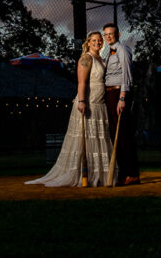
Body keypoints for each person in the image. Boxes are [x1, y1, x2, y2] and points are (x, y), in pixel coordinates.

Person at [27, 32, 116, 187]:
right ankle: (82, 174)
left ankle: (98, 174)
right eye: (94, 40)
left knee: (97, 138)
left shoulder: (101, 59)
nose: (97, 43)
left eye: (100, 41)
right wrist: (82, 101)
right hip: (88, 102)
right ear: (88, 43)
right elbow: (81, 83)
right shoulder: (86, 58)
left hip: (100, 103)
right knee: (85, 139)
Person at [103, 22, 140, 185]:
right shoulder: (108, 52)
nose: (108, 36)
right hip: (110, 94)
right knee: (115, 134)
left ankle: (132, 174)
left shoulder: (123, 50)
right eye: (106, 34)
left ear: (118, 35)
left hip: (119, 93)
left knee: (124, 134)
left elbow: (127, 74)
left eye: (111, 34)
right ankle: (123, 173)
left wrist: (123, 98)